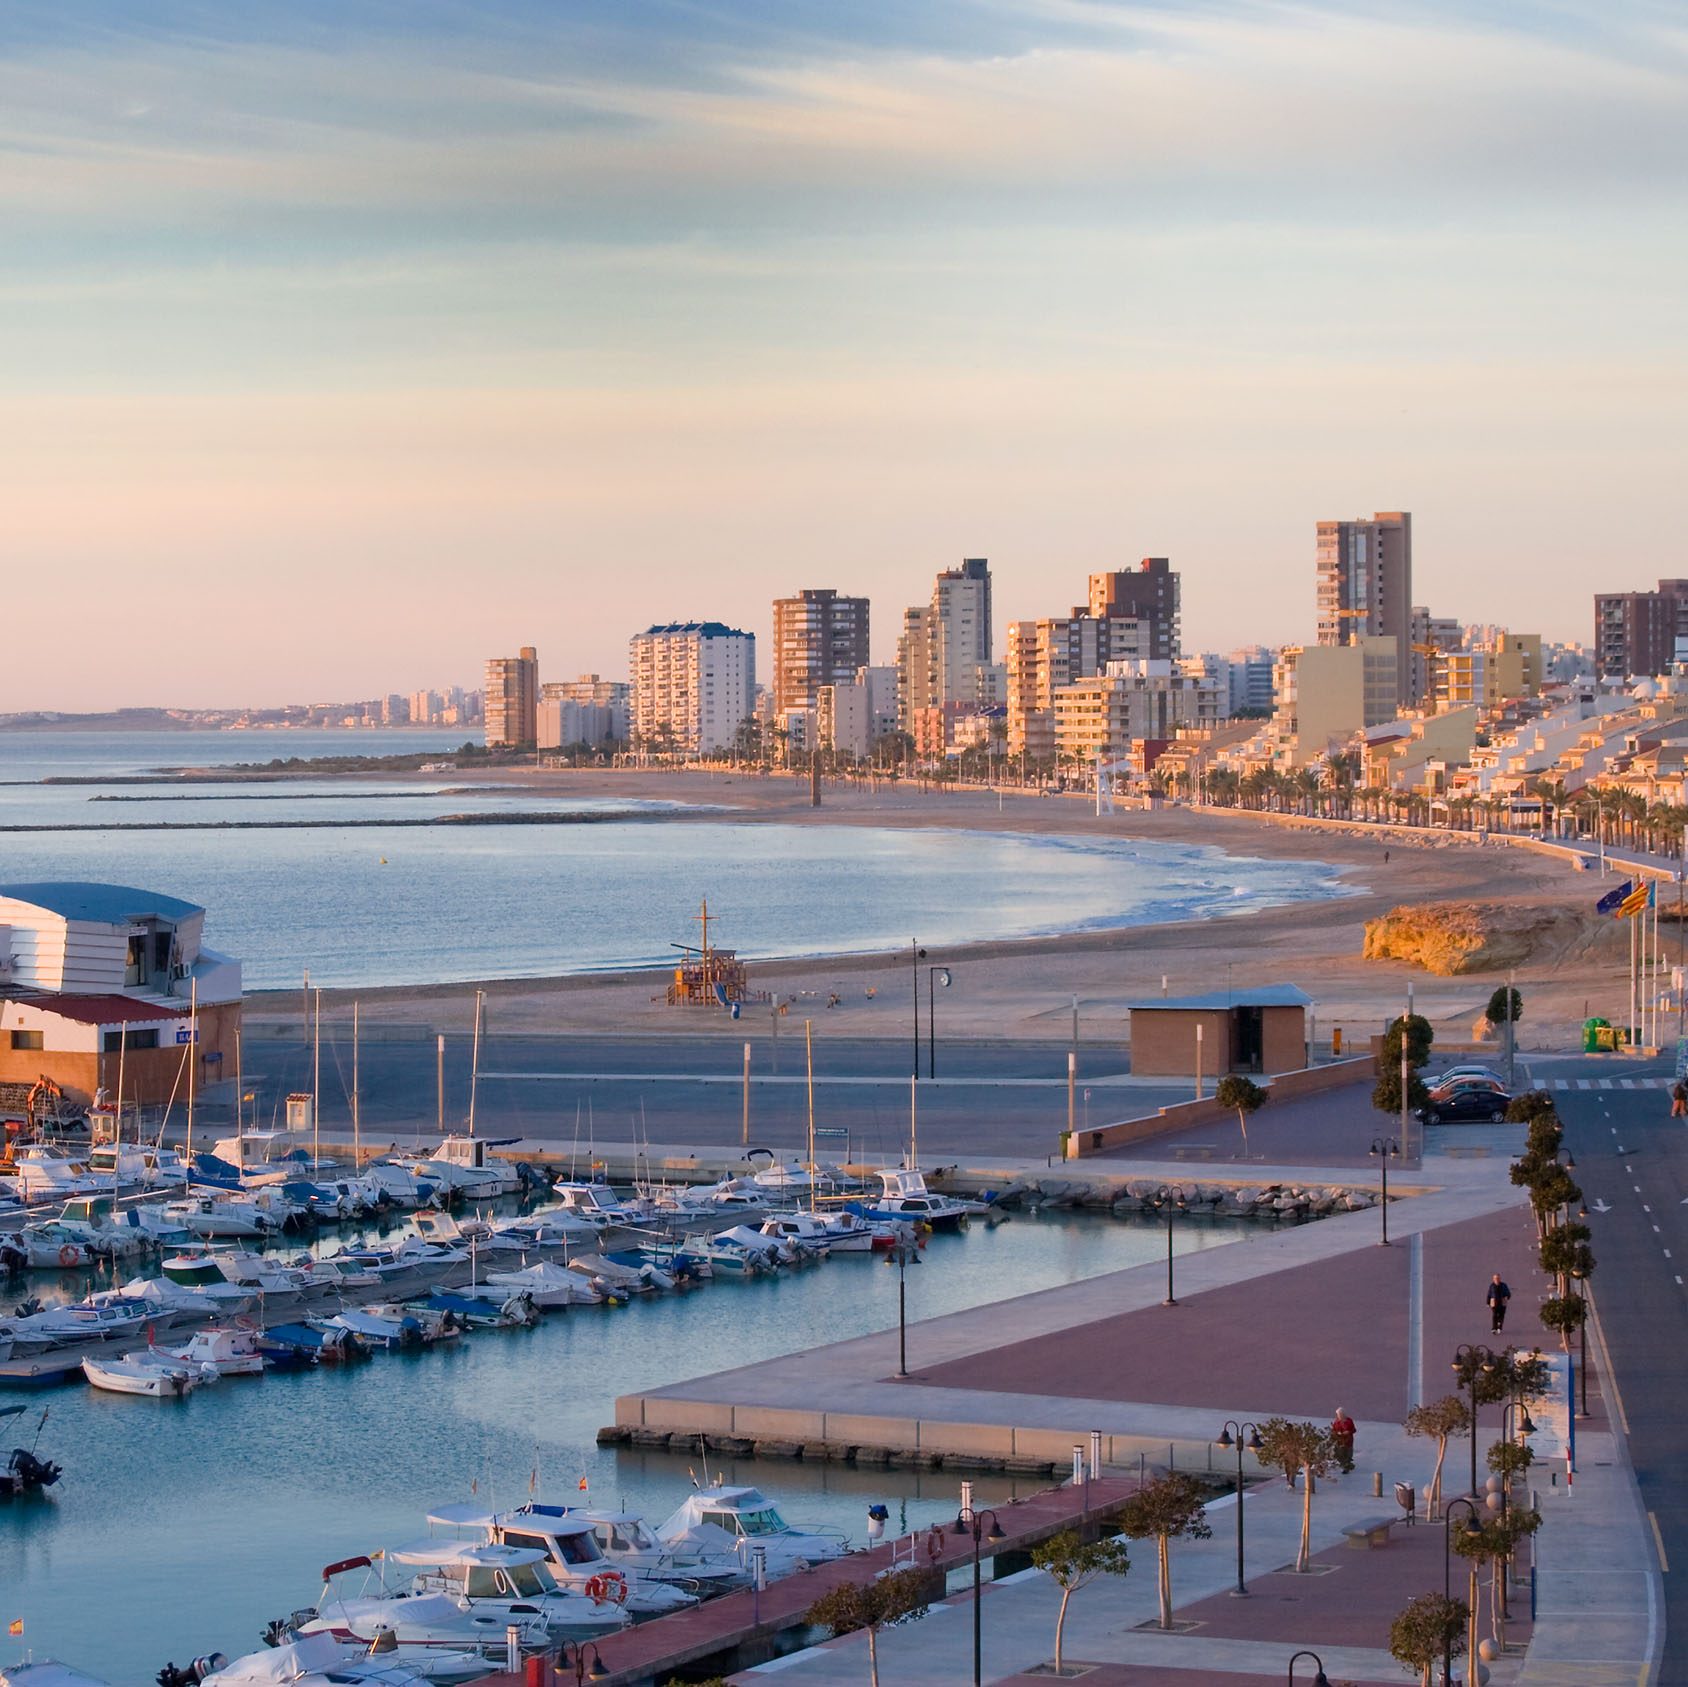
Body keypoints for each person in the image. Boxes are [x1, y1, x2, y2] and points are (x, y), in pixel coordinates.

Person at [1330, 1408, 1356, 1475]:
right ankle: (1344, 1466)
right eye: (1338, 1414)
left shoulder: (1349, 1421)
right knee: (1341, 1454)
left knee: (1348, 1454)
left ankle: (1347, 1467)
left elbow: (1354, 1430)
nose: (1338, 1416)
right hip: (1340, 1441)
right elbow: (1333, 1430)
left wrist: (1348, 1432)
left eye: (1339, 1414)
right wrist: (1336, 1433)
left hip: (1348, 1440)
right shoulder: (1336, 1422)